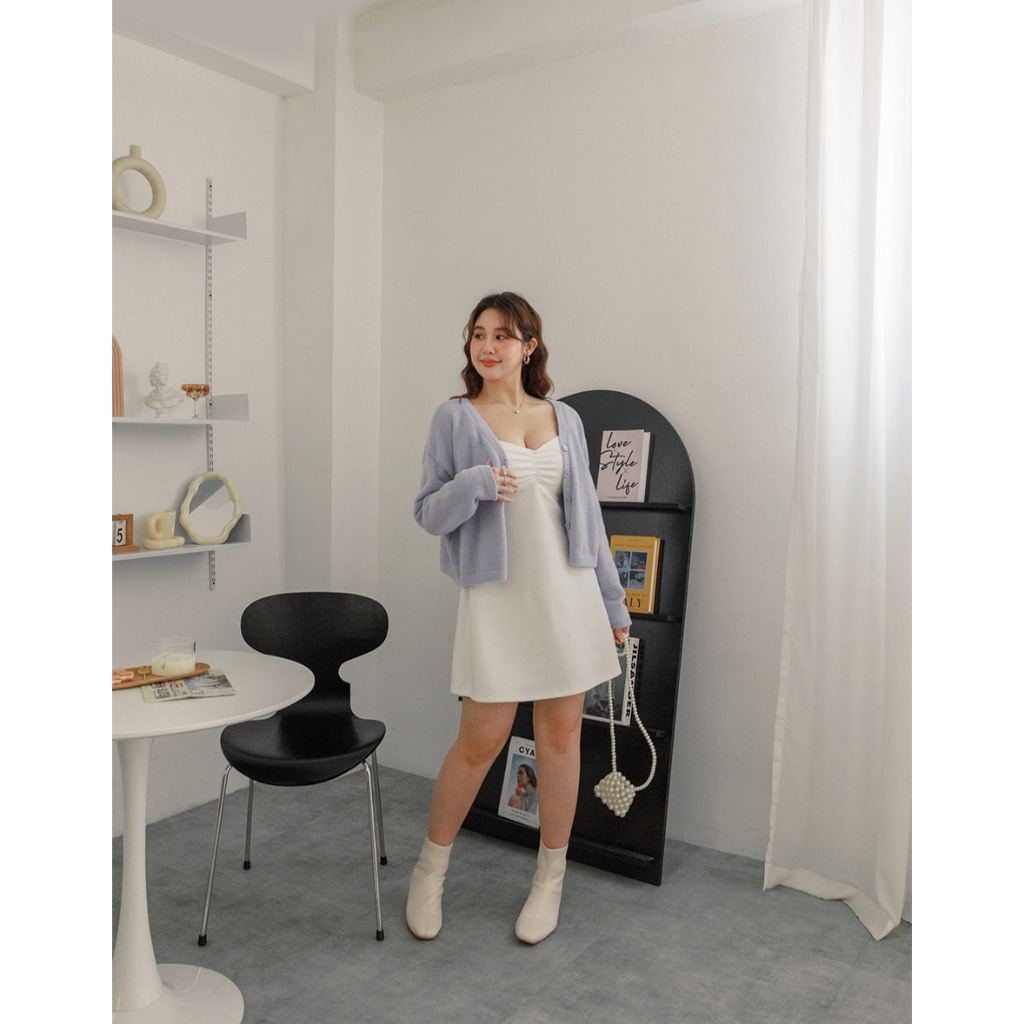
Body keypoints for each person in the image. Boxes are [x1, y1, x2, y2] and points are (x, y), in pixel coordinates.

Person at [407, 291, 631, 945]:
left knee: (561, 741)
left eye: (502, 335)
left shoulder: (565, 418)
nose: (487, 346)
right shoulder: (454, 418)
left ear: (529, 346)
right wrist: (473, 485)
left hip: (568, 597)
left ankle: (549, 879)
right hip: (498, 601)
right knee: (479, 743)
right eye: (478, 334)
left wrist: (613, 602)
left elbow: (587, 517)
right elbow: (427, 513)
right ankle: (429, 872)